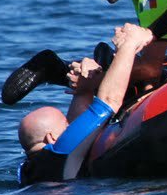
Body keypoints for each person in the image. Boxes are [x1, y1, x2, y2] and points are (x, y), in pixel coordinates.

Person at [16, 22, 151, 186]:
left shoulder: (26, 169)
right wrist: (128, 45)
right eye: (66, 126)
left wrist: (85, 89)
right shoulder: (60, 150)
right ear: (51, 138)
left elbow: (78, 129)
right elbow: (109, 102)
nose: (70, 126)